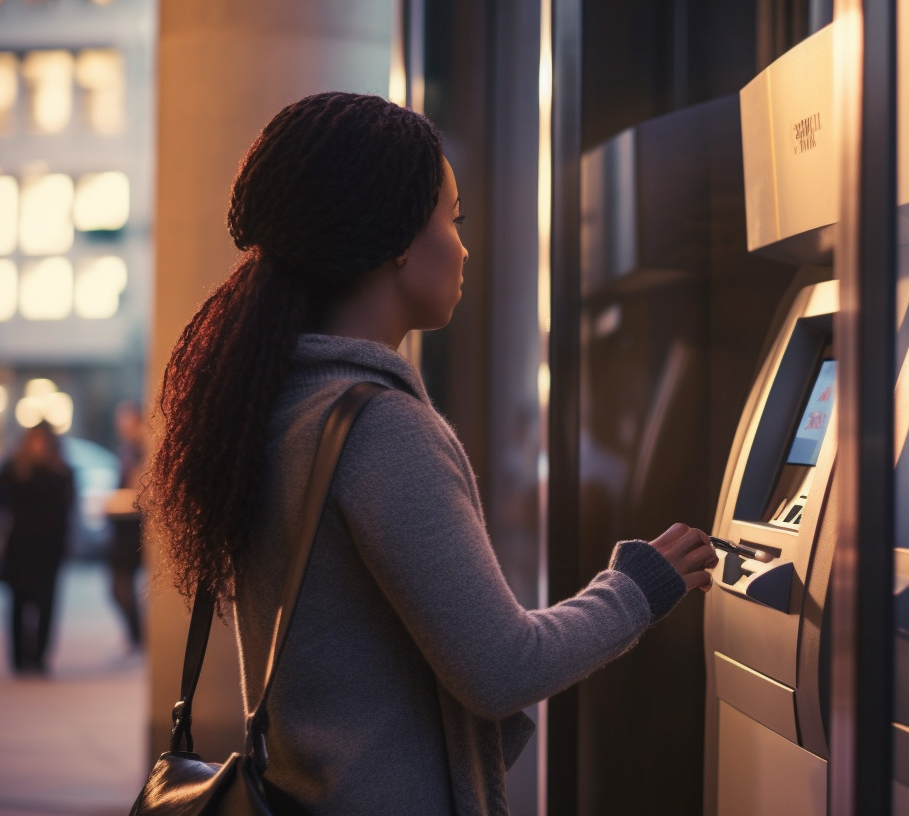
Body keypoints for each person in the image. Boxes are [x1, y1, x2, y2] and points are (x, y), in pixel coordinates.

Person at [143, 91, 717, 815]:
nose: (464, 246)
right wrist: (639, 586)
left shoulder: (277, 405)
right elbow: (503, 667)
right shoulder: (379, 428)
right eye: (452, 217)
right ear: (394, 241)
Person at [0, 421, 76, 677]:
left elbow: (69, 507)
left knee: (47, 602)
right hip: (21, 544)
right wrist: (5, 509)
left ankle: (39, 657)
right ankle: (18, 659)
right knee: (19, 601)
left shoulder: (61, 470)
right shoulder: (16, 468)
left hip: (50, 545)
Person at [104, 399, 146, 652]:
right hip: (122, 526)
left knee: (120, 586)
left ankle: (136, 636)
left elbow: (137, 489)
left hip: (132, 527)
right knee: (118, 587)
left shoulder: (140, 447)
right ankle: (135, 635)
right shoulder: (128, 447)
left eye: (126, 417)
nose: (121, 424)